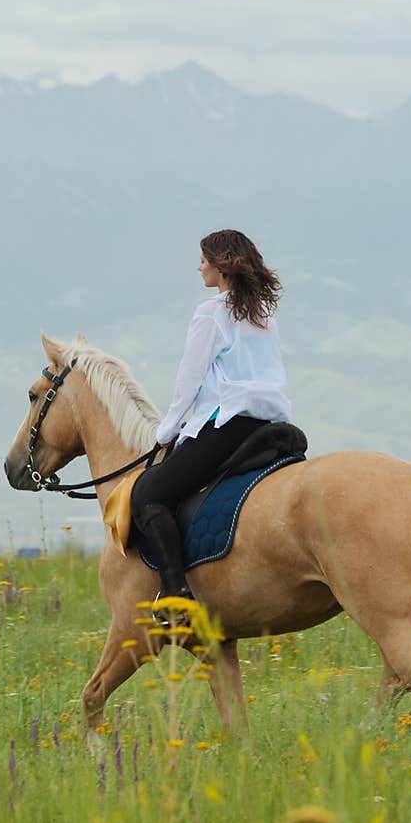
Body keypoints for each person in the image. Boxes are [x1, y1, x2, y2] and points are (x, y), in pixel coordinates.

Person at [130, 228, 292, 624]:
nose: (198, 265)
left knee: (148, 494)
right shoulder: (263, 315)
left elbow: (190, 379)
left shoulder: (211, 312)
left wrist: (165, 432)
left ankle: (174, 593)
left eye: (204, 259)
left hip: (230, 423)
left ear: (221, 265)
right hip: (272, 424)